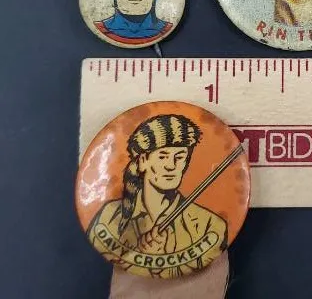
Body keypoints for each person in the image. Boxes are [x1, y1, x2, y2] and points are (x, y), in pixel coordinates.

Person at [87, 114, 228, 279]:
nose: (171, 166)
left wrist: (159, 262)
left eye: (179, 157)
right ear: (142, 161)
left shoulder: (210, 225)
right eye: (162, 156)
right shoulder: (109, 217)